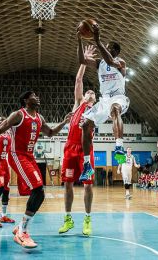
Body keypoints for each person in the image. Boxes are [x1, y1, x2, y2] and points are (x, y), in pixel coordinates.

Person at [0, 91, 71, 249]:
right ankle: (22, 232)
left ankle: (20, 227)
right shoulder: (18, 115)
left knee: (39, 193)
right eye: (33, 95)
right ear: (26, 100)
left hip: (29, 157)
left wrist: (64, 122)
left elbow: (50, 133)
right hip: (17, 156)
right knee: (38, 191)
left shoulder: (39, 118)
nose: (38, 97)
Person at [78, 23, 129, 181]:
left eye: (109, 48)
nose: (106, 49)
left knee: (115, 109)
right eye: (105, 47)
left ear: (115, 51)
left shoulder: (120, 63)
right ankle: (87, 166)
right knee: (85, 124)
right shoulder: (100, 63)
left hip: (118, 96)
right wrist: (78, 39)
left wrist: (98, 41)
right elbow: (81, 59)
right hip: (104, 99)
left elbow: (110, 60)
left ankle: (119, 148)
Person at [59, 41, 97, 236]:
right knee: (67, 183)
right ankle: (68, 219)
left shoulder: (97, 110)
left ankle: (88, 220)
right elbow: (78, 80)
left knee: (88, 184)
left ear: (95, 99)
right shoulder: (77, 105)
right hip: (69, 148)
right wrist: (84, 61)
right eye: (88, 92)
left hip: (86, 150)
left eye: (93, 92)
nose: (90, 92)